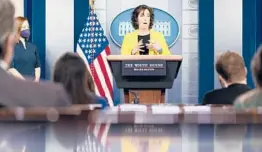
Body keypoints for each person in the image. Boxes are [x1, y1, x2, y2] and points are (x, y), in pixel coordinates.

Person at [0, 0, 70, 107]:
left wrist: (35, 79)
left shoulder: (32, 48)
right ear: (9, 40)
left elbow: (37, 65)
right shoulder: (51, 97)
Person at [8, 16, 41, 81]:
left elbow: (37, 66)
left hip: (33, 85)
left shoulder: (33, 47)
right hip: (17, 84)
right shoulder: (11, 46)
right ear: (17, 29)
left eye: (28, 27)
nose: (27, 29)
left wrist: (36, 80)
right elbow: (11, 68)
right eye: (24, 27)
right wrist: (25, 82)